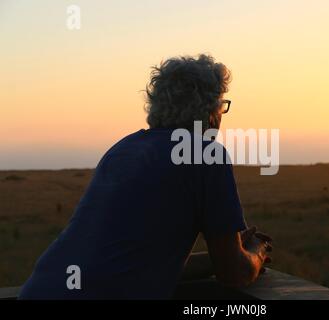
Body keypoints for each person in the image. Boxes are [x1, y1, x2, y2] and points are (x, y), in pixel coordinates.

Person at [19, 54, 272, 299]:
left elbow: (136, 262)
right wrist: (255, 253)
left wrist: (228, 249)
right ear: (209, 111)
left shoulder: (123, 149)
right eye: (221, 106)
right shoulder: (205, 154)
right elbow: (233, 273)